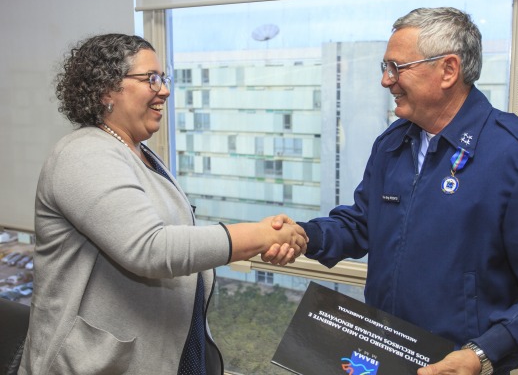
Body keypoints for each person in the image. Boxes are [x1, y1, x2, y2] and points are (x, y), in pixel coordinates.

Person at [269, 7, 518, 374]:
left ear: (448, 70)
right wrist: (304, 235)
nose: (386, 81)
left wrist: (481, 354)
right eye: (384, 68)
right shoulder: (392, 144)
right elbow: (362, 224)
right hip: (382, 357)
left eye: (396, 68)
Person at [19, 33, 308, 375]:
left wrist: (266, 238)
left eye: (164, 78)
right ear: (106, 90)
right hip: (96, 364)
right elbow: (150, 249)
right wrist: (260, 236)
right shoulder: (83, 154)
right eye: (151, 79)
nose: (165, 90)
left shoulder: (137, 152)